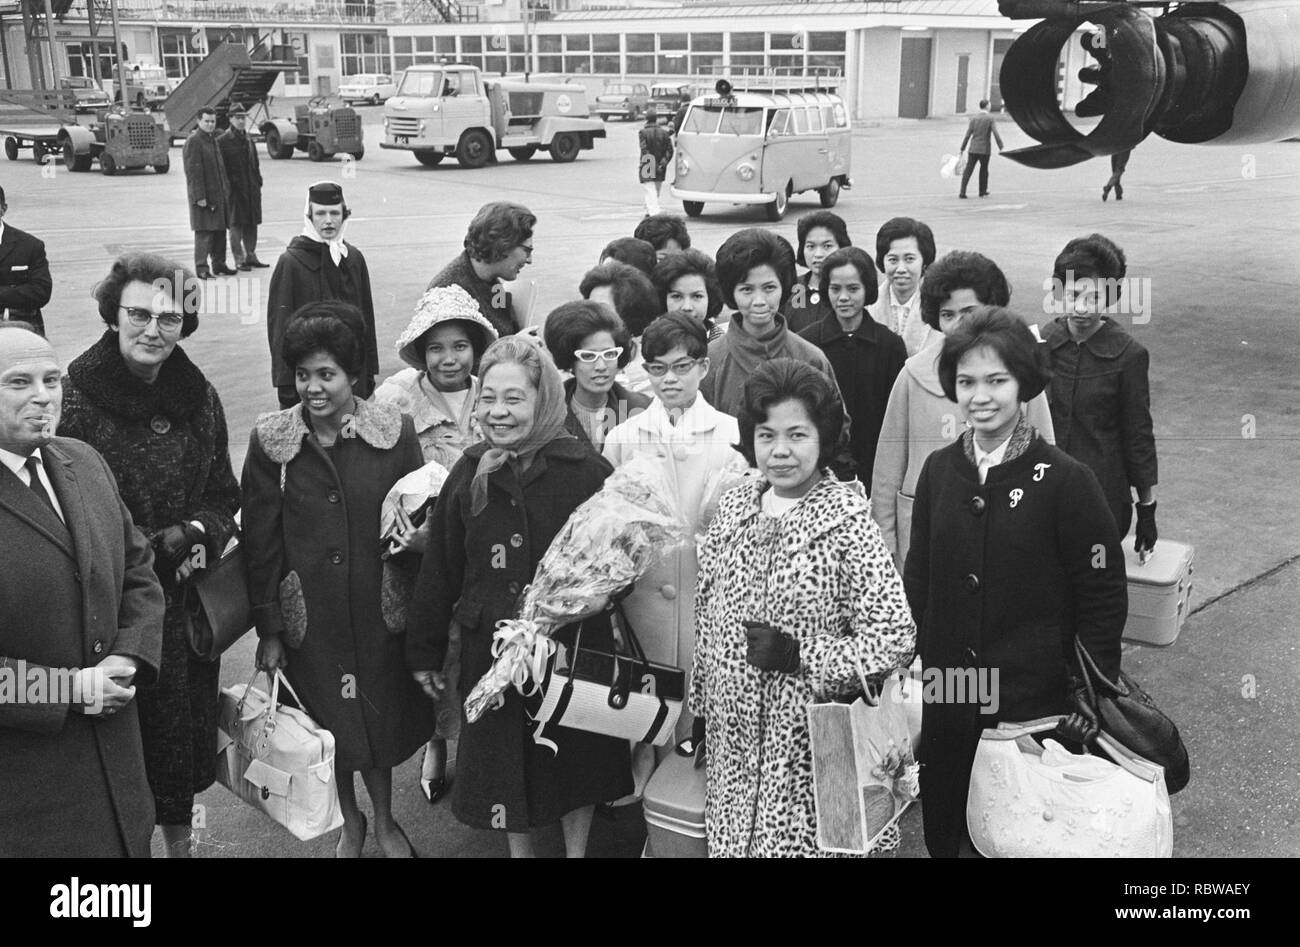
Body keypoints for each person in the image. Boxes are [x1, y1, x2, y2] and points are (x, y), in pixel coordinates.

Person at [903, 308, 1127, 857]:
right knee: (950, 826)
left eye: (997, 380)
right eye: (967, 382)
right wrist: (913, 661)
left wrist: (1088, 694)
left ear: (1024, 384)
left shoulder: (1067, 481)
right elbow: (921, 577)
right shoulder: (938, 471)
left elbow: (1101, 592)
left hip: (1035, 696)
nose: (981, 396)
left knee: (1023, 832)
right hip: (950, 689)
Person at [405, 337, 633, 858]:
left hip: (573, 644)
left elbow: (623, 560)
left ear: (544, 398)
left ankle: (577, 853)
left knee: (576, 758)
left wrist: (601, 600)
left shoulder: (585, 472)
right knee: (509, 760)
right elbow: (440, 569)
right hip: (492, 646)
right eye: (487, 398)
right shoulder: (469, 472)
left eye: (514, 398)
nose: (497, 412)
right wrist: (422, 652)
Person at [690, 358, 916, 857]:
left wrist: (800, 656)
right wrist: (702, 708)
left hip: (817, 748)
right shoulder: (733, 509)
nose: (781, 451)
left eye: (797, 435)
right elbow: (707, 613)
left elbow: (894, 637)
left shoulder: (848, 523)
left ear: (824, 437)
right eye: (767, 435)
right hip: (735, 742)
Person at [56, 253, 241, 858]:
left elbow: (223, 493)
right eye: (139, 313)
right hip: (109, 610)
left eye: (169, 318)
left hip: (184, 611)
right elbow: (61, 507)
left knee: (180, 746)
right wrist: (137, 551)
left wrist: (195, 530)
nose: (152, 329)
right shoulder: (74, 398)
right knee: (119, 744)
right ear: (113, 315)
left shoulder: (199, 393)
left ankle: (181, 848)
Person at [244, 303, 434, 858]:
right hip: (310, 619)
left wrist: (417, 553)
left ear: (353, 374)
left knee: (375, 725)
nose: (312, 388)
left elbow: (416, 510)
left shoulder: (394, 432)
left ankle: (385, 820)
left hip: (377, 607)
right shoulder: (271, 440)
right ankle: (350, 822)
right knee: (327, 728)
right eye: (303, 375)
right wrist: (271, 628)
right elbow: (261, 542)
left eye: (326, 374)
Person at [0, 323, 165, 857]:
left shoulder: (83, 461)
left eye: (52, 380)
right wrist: (68, 690)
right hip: (31, 807)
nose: (43, 397)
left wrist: (129, 655)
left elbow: (138, 568)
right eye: (18, 382)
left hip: (121, 787)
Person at [602, 312, 748, 792]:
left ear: (704, 368)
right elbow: (606, 523)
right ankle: (647, 803)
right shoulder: (623, 436)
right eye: (659, 368)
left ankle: (685, 810)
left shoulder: (730, 433)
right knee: (643, 713)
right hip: (641, 603)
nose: (670, 379)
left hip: (704, 601)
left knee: (695, 717)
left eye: (682, 367)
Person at [374, 284, 499, 805]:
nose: (449, 359)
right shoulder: (394, 402)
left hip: (488, 549)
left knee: (485, 652)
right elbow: (381, 486)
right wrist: (411, 536)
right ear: (421, 354)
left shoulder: (498, 392)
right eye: (436, 348)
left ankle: (485, 753)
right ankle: (436, 745)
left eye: (460, 346)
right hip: (422, 562)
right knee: (434, 652)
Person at [871, 250, 1055, 567]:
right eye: (948, 314)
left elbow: (1046, 452)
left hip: (1006, 522)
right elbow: (888, 469)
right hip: (924, 528)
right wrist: (884, 541)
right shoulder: (913, 374)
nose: (959, 324)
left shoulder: (1019, 371)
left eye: (969, 311)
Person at [1042, 234, 1157, 548]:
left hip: (1101, 497)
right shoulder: (1039, 344)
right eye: (1073, 294)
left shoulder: (1129, 355)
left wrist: (1146, 507)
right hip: (1041, 494)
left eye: (1093, 297)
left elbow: (1138, 434)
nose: (1081, 307)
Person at [698, 228, 836, 418]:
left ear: (784, 286)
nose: (759, 300)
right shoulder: (709, 362)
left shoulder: (811, 359)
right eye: (747, 289)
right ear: (731, 292)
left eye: (769, 288)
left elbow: (835, 429)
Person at [798, 246, 905, 488]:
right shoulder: (807, 343)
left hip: (876, 461)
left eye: (853, 289)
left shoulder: (890, 345)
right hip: (819, 465)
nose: (843, 297)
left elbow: (897, 415)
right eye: (835, 289)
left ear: (867, 289)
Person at [267, 181, 379, 409]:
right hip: (311, 385)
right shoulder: (291, 262)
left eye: (335, 213)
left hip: (351, 381)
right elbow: (279, 329)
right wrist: (287, 386)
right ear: (309, 217)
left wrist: (368, 374)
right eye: (320, 213)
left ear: (344, 216)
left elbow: (366, 319)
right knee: (314, 441)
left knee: (350, 436)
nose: (328, 220)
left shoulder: (353, 258)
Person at [543, 299, 650, 452]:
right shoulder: (547, 413)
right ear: (570, 360)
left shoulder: (642, 409)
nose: (601, 366)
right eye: (588, 356)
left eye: (610, 354)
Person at [428, 201, 535, 339]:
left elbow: (506, 328)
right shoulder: (449, 292)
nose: (529, 260)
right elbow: (456, 357)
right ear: (503, 246)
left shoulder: (492, 282)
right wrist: (515, 344)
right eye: (527, 250)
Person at [578, 260, 662, 395]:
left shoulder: (653, 370)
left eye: (601, 309)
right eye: (588, 307)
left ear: (631, 314)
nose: (589, 316)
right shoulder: (576, 360)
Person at [866, 216, 937, 356]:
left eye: (909, 259)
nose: (901, 269)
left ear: (924, 261)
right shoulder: (868, 305)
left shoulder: (938, 306)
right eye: (893, 259)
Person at [182, 107, 234, 280]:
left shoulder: (212, 140)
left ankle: (219, 265)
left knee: (220, 231)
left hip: (219, 196)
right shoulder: (194, 141)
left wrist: (225, 190)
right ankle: (202, 268)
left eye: (213, 121)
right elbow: (193, 172)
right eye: (207, 121)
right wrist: (199, 197)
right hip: (204, 198)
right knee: (204, 233)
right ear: (199, 121)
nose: (210, 125)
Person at [217, 104, 268, 271]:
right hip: (235, 191)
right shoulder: (223, 141)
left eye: (243, 117)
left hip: (251, 188)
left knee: (252, 223)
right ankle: (239, 260)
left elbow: (255, 163)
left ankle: (251, 256)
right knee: (236, 226)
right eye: (237, 118)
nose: (241, 121)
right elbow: (221, 168)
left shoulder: (248, 138)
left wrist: (258, 181)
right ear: (230, 118)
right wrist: (228, 189)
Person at [786, 211, 851, 334]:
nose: (818, 255)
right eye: (810, 246)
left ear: (841, 247)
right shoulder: (792, 288)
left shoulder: (851, 290)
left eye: (827, 246)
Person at [0, 186, 53, 336]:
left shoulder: (30, 246)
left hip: (22, 329)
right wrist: (14, 291)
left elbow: (40, 292)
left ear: (4, 209)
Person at [652, 248, 726, 342]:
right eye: (677, 296)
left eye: (697, 296)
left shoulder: (726, 349)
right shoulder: (649, 346)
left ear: (711, 298)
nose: (687, 307)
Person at [958, 99, 1004, 199]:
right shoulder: (990, 118)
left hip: (973, 148)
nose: (990, 106)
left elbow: (967, 135)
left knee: (968, 170)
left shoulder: (973, 118)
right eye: (989, 105)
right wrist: (1001, 146)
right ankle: (982, 192)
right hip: (984, 149)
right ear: (987, 106)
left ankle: (962, 192)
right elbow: (995, 133)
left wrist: (962, 148)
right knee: (983, 170)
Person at [638, 107, 674, 217]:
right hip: (660, 166)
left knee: (649, 188)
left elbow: (644, 150)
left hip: (647, 165)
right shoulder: (664, 133)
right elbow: (670, 150)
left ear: (646, 119)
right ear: (656, 118)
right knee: (656, 189)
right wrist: (662, 163)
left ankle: (653, 212)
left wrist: (651, 164)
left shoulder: (643, 132)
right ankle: (650, 209)